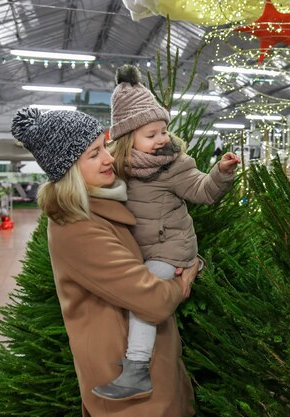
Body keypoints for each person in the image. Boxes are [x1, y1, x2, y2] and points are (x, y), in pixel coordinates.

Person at [10, 107, 197, 417]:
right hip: (127, 383)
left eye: (105, 146)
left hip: (149, 368)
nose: (109, 158)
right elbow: (151, 299)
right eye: (94, 153)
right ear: (68, 169)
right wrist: (182, 282)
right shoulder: (78, 229)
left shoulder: (102, 206)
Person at [90, 64, 240, 401]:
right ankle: (135, 358)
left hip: (170, 250)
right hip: (139, 250)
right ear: (128, 139)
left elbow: (205, 191)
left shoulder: (175, 165)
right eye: (152, 134)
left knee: (145, 295)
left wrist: (221, 173)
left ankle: (137, 369)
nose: (162, 139)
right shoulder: (115, 168)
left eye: (163, 131)